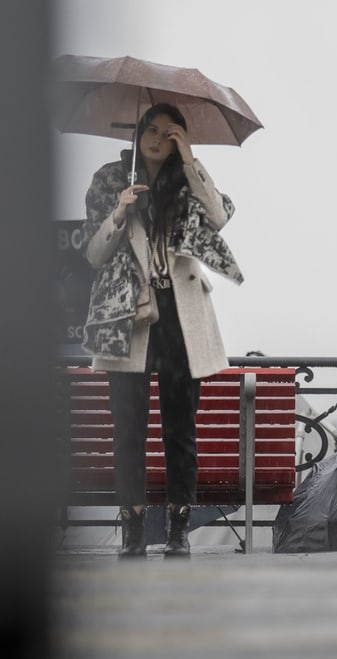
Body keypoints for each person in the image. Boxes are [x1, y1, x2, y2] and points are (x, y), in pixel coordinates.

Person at [81, 102, 244, 558]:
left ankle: (178, 529)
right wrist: (119, 212)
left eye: (168, 133)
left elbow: (219, 215)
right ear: (137, 132)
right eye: (150, 129)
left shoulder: (187, 180)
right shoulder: (110, 180)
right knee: (128, 430)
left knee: (180, 429)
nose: (156, 139)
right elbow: (93, 255)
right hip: (129, 318)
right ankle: (133, 529)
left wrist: (189, 158)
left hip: (180, 315)